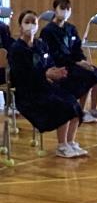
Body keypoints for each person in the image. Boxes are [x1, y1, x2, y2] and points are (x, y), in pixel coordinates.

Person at [7, 11, 86, 158]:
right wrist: (44, 74)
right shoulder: (17, 49)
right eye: (27, 22)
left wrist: (56, 71)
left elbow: (49, 63)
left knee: (73, 102)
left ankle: (70, 142)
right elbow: (22, 75)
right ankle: (62, 145)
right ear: (20, 26)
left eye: (34, 22)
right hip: (29, 92)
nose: (30, 25)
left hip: (46, 86)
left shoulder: (40, 44)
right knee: (63, 106)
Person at [40, 0, 97, 123]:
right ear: (55, 10)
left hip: (74, 62)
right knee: (86, 76)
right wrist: (76, 62)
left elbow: (77, 48)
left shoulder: (71, 28)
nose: (65, 12)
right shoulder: (48, 31)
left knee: (96, 73)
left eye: (68, 9)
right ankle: (80, 111)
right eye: (62, 8)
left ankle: (94, 108)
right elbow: (54, 54)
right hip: (61, 65)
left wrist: (82, 60)